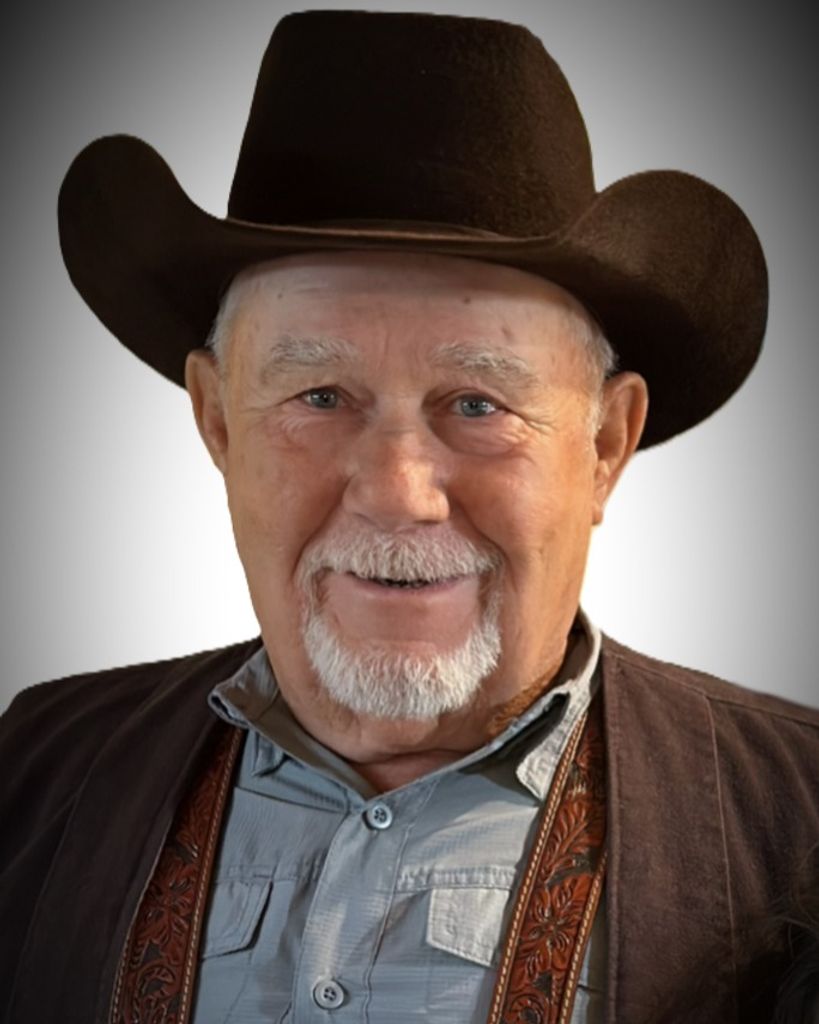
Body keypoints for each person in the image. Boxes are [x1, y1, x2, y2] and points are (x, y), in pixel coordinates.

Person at [1, 10, 817, 1024]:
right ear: (218, 420)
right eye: (319, 397)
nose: (395, 491)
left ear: (605, 443)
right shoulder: (32, 775)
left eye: (477, 404)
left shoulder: (802, 821)